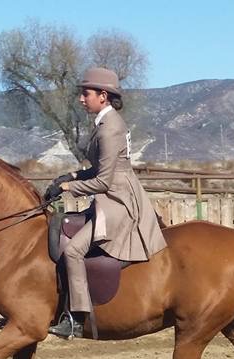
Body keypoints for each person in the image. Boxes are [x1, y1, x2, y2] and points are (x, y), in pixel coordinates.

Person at [43, 67, 168, 338]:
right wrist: (72, 175)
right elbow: (100, 169)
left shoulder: (110, 128)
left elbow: (103, 182)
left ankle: (76, 318)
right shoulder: (104, 122)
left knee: (74, 251)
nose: (80, 99)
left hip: (117, 201)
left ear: (103, 95)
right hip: (111, 195)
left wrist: (68, 187)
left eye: (85, 94)